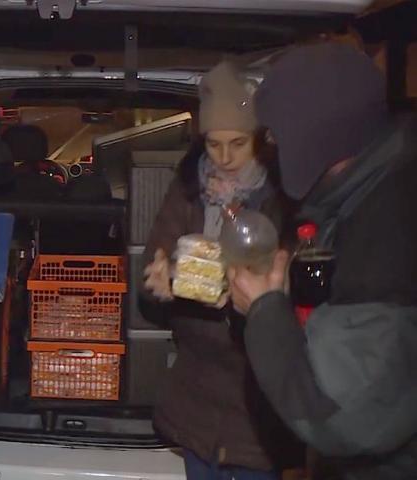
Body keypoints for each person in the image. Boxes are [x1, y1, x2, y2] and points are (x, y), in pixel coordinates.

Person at [227, 43, 417, 479]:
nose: (270, 143)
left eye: (276, 132)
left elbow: (342, 415)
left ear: (314, 136)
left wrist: (265, 310)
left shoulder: (389, 227)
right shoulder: (359, 197)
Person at [142, 61, 302, 479]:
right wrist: (158, 280)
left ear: (260, 139)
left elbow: (297, 289)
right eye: (214, 144)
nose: (225, 157)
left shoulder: (284, 197)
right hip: (196, 396)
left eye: (237, 143)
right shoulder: (188, 189)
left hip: (259, 397)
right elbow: (155, 261)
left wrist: (247, 295)